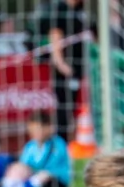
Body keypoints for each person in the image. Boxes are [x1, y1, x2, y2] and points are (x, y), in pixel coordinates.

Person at [35, 1, 88, 145]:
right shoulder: (60, 9)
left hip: (77, 68)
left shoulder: (79, 10)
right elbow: (55, 36)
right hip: (65, 71)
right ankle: (61, 143)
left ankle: (67, 141)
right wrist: (61, 64)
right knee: (63, 108)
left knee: (71, 108)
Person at [0, 111, 70, 187]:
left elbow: (51, 165)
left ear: (48, 128)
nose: (35, 133)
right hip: (34, 178)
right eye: (33, 129)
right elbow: (24, 164)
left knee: (43, 179)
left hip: (54, 180)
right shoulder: (30, 146)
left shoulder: (57, 143)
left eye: (38, 129)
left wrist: (35, 172)